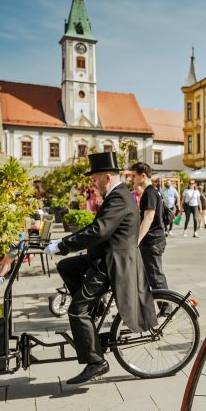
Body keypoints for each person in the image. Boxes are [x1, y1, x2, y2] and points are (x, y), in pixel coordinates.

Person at [47, 152, 156, 384]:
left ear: (107, 178)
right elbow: (96, 227)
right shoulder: (118, 194)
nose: (93, 183)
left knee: (76, 309)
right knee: (67, 267)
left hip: (111, 263)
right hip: (103, 256)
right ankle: (93, 308)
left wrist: (63, 244)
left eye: (95, 178)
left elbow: (99, 231)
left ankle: (96, 362)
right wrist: (63, 244)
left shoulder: (118, 198)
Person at [131, 163, 169, 296]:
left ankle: (167, 309)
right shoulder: (152, 191)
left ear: (142, 175)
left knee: (156, 277)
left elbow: (148, 218)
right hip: (154, 239)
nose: (133, 179)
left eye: (134, 176)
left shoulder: (150, 193)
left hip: (152, 241)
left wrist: (136, 241)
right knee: (152, 275)